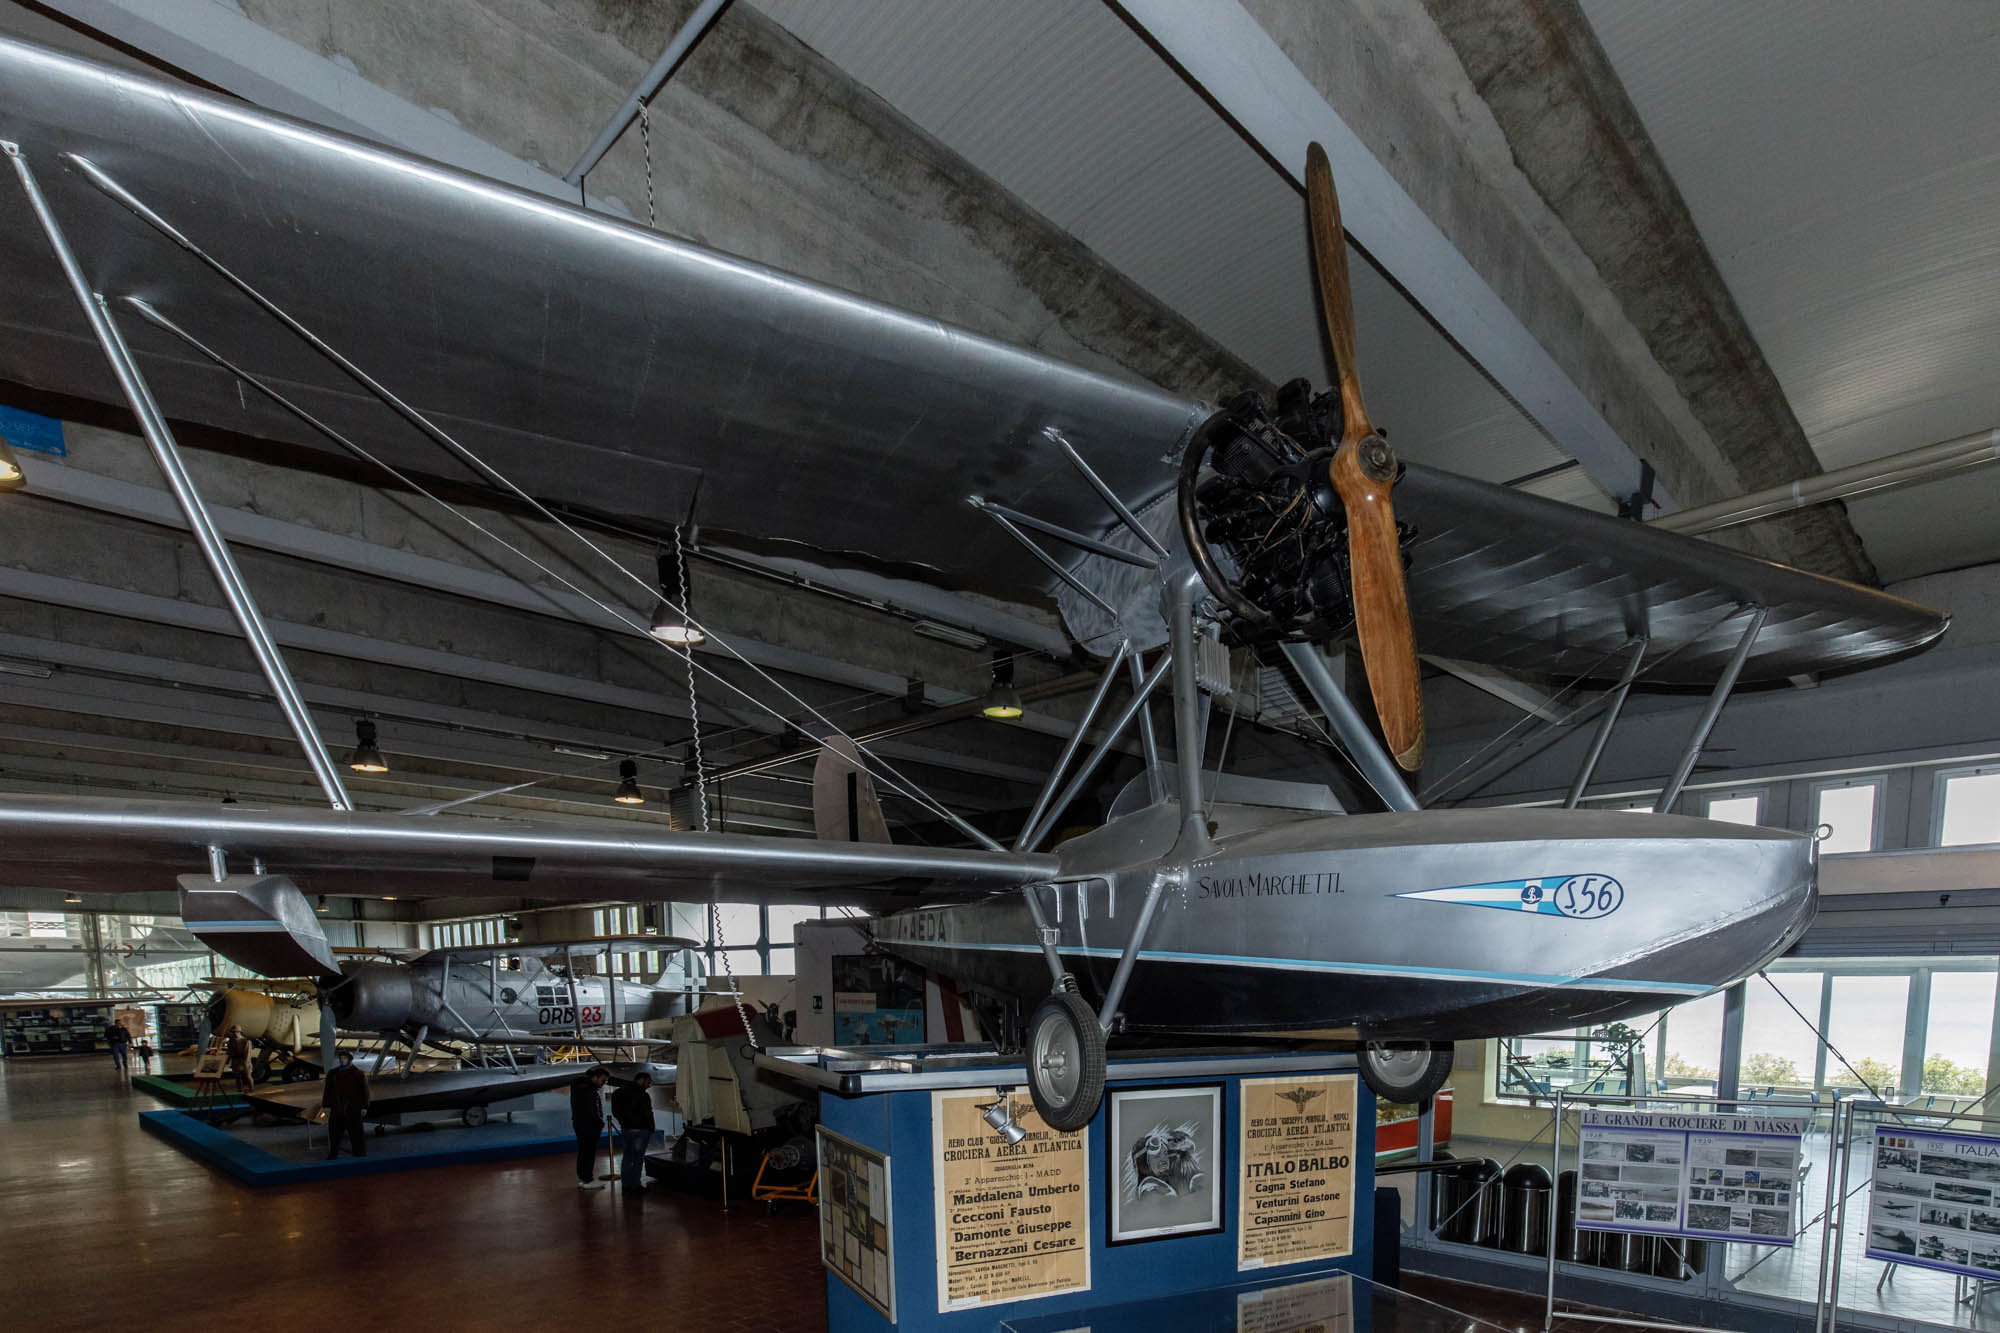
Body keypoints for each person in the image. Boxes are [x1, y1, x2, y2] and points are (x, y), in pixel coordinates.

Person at [610, 1071, 657, 1195]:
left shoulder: (618, 1093)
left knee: (627, 1157)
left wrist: (623, 1121)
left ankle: (626, 1185)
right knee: (638, 1158)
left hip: (626, 1128)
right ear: (640, 1080)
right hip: (641, 1130)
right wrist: (651, 1128)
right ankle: (635, 1185)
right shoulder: (643, 1095)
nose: (649, 1085)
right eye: (648, 1082)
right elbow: (648, 1113)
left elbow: (615, 1112)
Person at [321, 1049, 370, 1160]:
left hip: (353, 1108)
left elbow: (364, 1092)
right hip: (336, 1108)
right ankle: (333, 1153)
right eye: (341, 1058)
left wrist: (364, 1106)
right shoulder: (333, 1074)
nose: (342, 1060)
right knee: (334, 1133)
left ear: (350, 1060)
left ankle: (359, 1154)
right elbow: (327, 1090)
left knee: (356, 1134)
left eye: (345, 1058)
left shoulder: (358, 1074)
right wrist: (326, 1106)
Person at [570, 1066, 610, 1191]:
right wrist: (599, 1123)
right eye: (603, 1080)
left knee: (583, 1152)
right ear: (595, 1077)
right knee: (588, 1153)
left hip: (580, 1123)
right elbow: (592, 1110)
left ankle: (583, 1178)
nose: (603, 1084)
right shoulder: (589, 1091)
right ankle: (588, 1179)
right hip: (589, 1125)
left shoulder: (579, 1087)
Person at [225, 1026, 253, 1093]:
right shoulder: (231, 1041)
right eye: (233, 1032)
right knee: (237, 1077)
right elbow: (229, 1051)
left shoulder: (246, 1041)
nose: (235, 1033)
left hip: (244, 1061)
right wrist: (227, 1060)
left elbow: (248, 1053)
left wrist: (246, 1062)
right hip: (235, 1061)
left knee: (247, 1076)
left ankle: (251, 1089)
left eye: (236, 1032)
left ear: (240, 1032)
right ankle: (240, 1089)